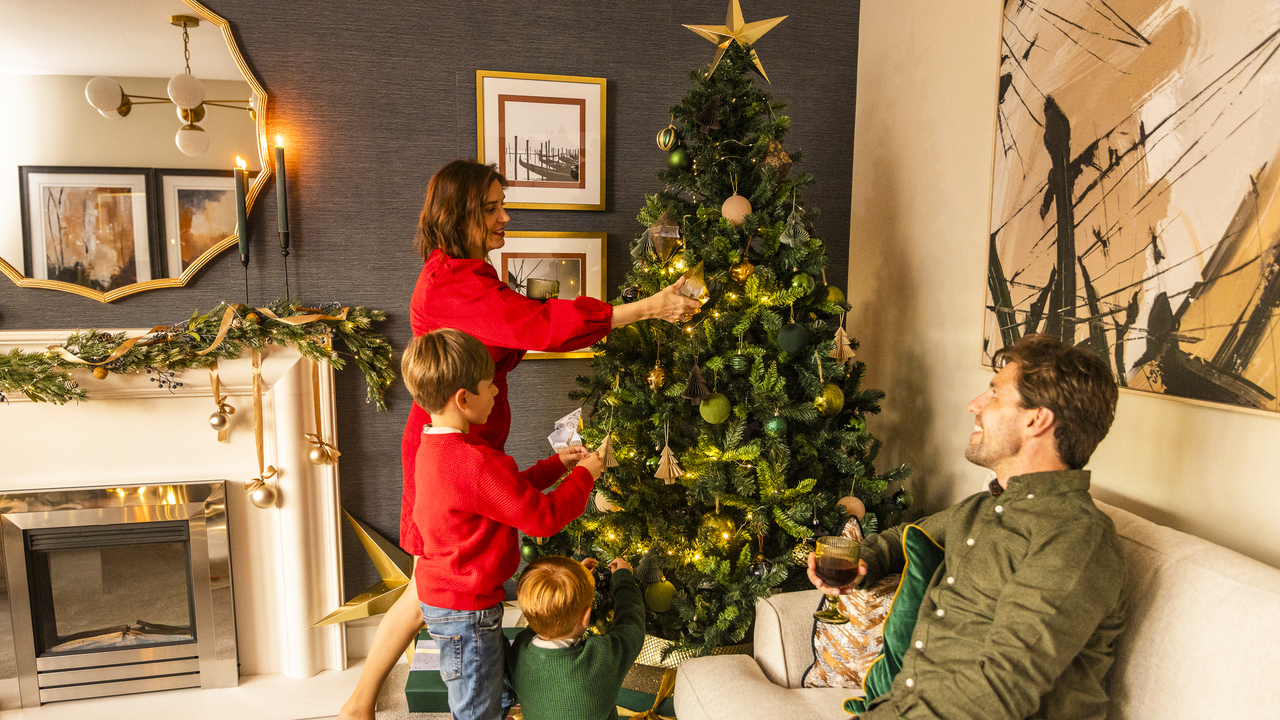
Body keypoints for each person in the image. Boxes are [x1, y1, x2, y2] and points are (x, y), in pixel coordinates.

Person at [340, 160, 699, 720]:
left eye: (503, 203)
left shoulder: (469, 274)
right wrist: (651, 308)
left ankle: (362, 703)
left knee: (435, 583)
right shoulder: (450, 287)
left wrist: (549, 466)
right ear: (458, 215)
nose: (506, 217)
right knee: (437, 584)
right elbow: (541, 327)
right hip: (454, 456)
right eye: (491, 209)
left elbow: (526, 325)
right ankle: (366, 702)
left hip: (470, 448)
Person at [809, 333, 1126, 720]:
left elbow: (1001, 688)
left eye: (993, 395)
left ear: (1037, 419)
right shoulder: (984, 507)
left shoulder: (1076, 537)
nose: (974, 405)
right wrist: (863, 562)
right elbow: (902, 540)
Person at [398, 328, 603, 720]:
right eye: (490, 385)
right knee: (478, 709)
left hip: (452, 600)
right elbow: (543, 518)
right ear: (464, 399)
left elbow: (503, 495)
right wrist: (586, 476)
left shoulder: (436, 446)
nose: (496, 393)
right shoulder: (475, 462)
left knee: (499, 695)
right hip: (467, 611)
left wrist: (554, 467)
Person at [506, 555, 645, 720]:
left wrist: (575, 580)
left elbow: (542, 617)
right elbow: (632, 625)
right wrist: (623, 578)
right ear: (586, 618)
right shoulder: (601, 656)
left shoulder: (520, 647)